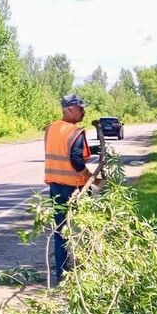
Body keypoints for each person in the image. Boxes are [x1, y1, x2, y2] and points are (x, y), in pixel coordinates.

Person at [43, 94, 99, 281]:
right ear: (70, 109)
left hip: (55, 187)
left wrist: (93, 150)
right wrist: (92, 179)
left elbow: (63, 150)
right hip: (75, 188)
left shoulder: (51, 128)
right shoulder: (75, 132)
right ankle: (90, 265)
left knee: (60, 229)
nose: (84, 112)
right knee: (87, 225)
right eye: (81, 109)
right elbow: (76, 161)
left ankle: (61, 272)